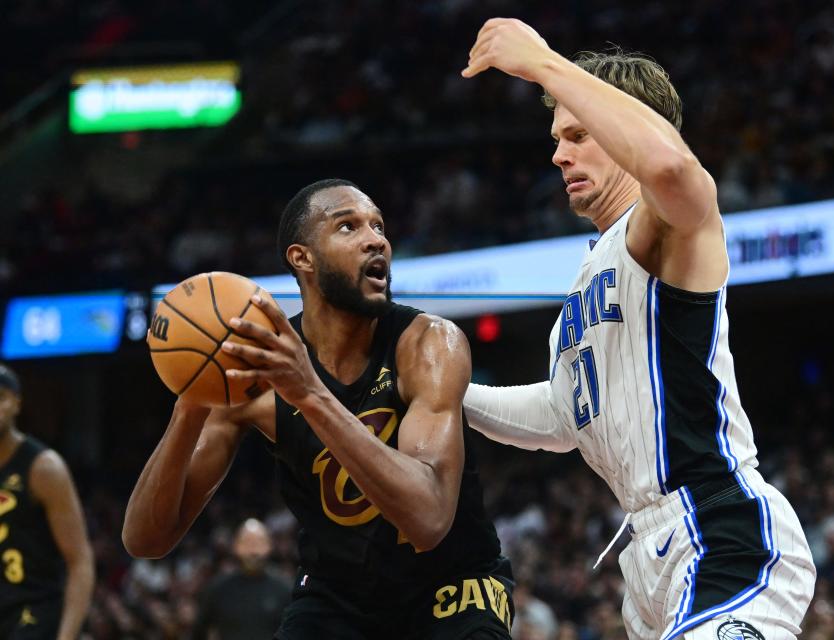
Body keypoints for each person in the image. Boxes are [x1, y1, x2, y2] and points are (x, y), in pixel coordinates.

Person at [460, 19, 816, 640]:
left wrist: (544, 63)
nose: (558, 153)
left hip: (720, 530)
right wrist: (440, 389)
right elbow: (563, 416)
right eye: (556, 137)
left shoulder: (662, 225)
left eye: (577, 133)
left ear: (624, 128)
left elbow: (673, 169)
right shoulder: (592, 271)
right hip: (649, 558)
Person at [123, 179, 514, 639]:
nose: (376, 239)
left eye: (378, 226)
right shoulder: (256, 375)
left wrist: (310, 394)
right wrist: (192, 399)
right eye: (348, 226)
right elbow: (146, 539)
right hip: (338, 597)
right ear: (302, 258)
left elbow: (428, 518)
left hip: (453, 585)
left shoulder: (428, 344)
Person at [0, 363, 94, 639]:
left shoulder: (43, 467)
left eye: (1, 397)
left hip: (33, 616)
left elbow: (80, 561)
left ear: (16, 404)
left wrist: (67, 636)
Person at [191, 518, 290, 640]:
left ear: (269, 545)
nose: (253, 550)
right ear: (236, 546)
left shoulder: (285, 588)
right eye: (247, 542)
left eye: (258, 542)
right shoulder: (218, 588)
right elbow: (198, 631)